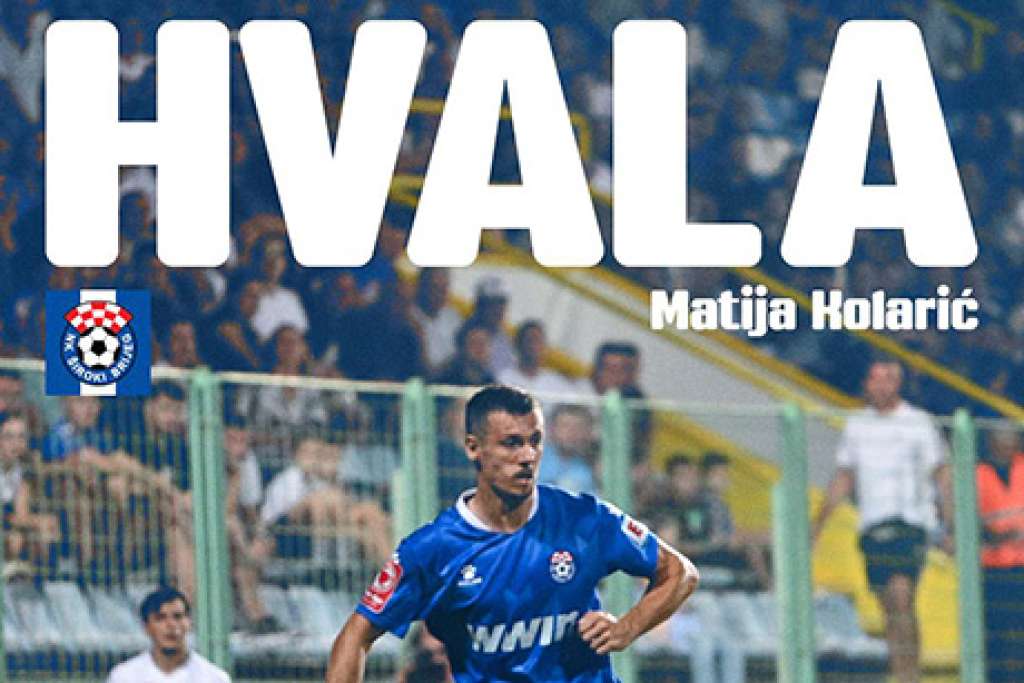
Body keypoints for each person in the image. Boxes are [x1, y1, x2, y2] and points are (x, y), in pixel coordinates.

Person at [326, 385, 699, 682]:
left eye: (535, 441)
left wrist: (627, 628)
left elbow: (679, 572)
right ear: (473, 447)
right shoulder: (433, 549)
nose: (527, 456)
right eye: (511, 443)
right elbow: (355, 636)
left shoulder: (584, 517)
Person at [812, 361, 952, 683]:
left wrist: (949, 523)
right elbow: (844, 476)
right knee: (888, 604)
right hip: (873, 525)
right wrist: (819, 523)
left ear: (898, 384)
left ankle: (909, 674)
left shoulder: (918, 422)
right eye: (875, 380)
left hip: (910, 522)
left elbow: (941, 473)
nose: (881, 386)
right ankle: (899, 668)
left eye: (888, 380)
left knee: (902, 595)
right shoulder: (857, 426)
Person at [976, 426, 1024, 682]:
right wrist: (997, 536)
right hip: (993, 567)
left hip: (1021, 565)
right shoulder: (977, 475)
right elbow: (971, 522)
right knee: (997, 632)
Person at [107, 587, 230, 682]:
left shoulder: (213, 678)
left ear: (189, 623)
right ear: (146, 627)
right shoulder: (124, 677)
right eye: (160, 618)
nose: (170, 625)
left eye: (177, 617)